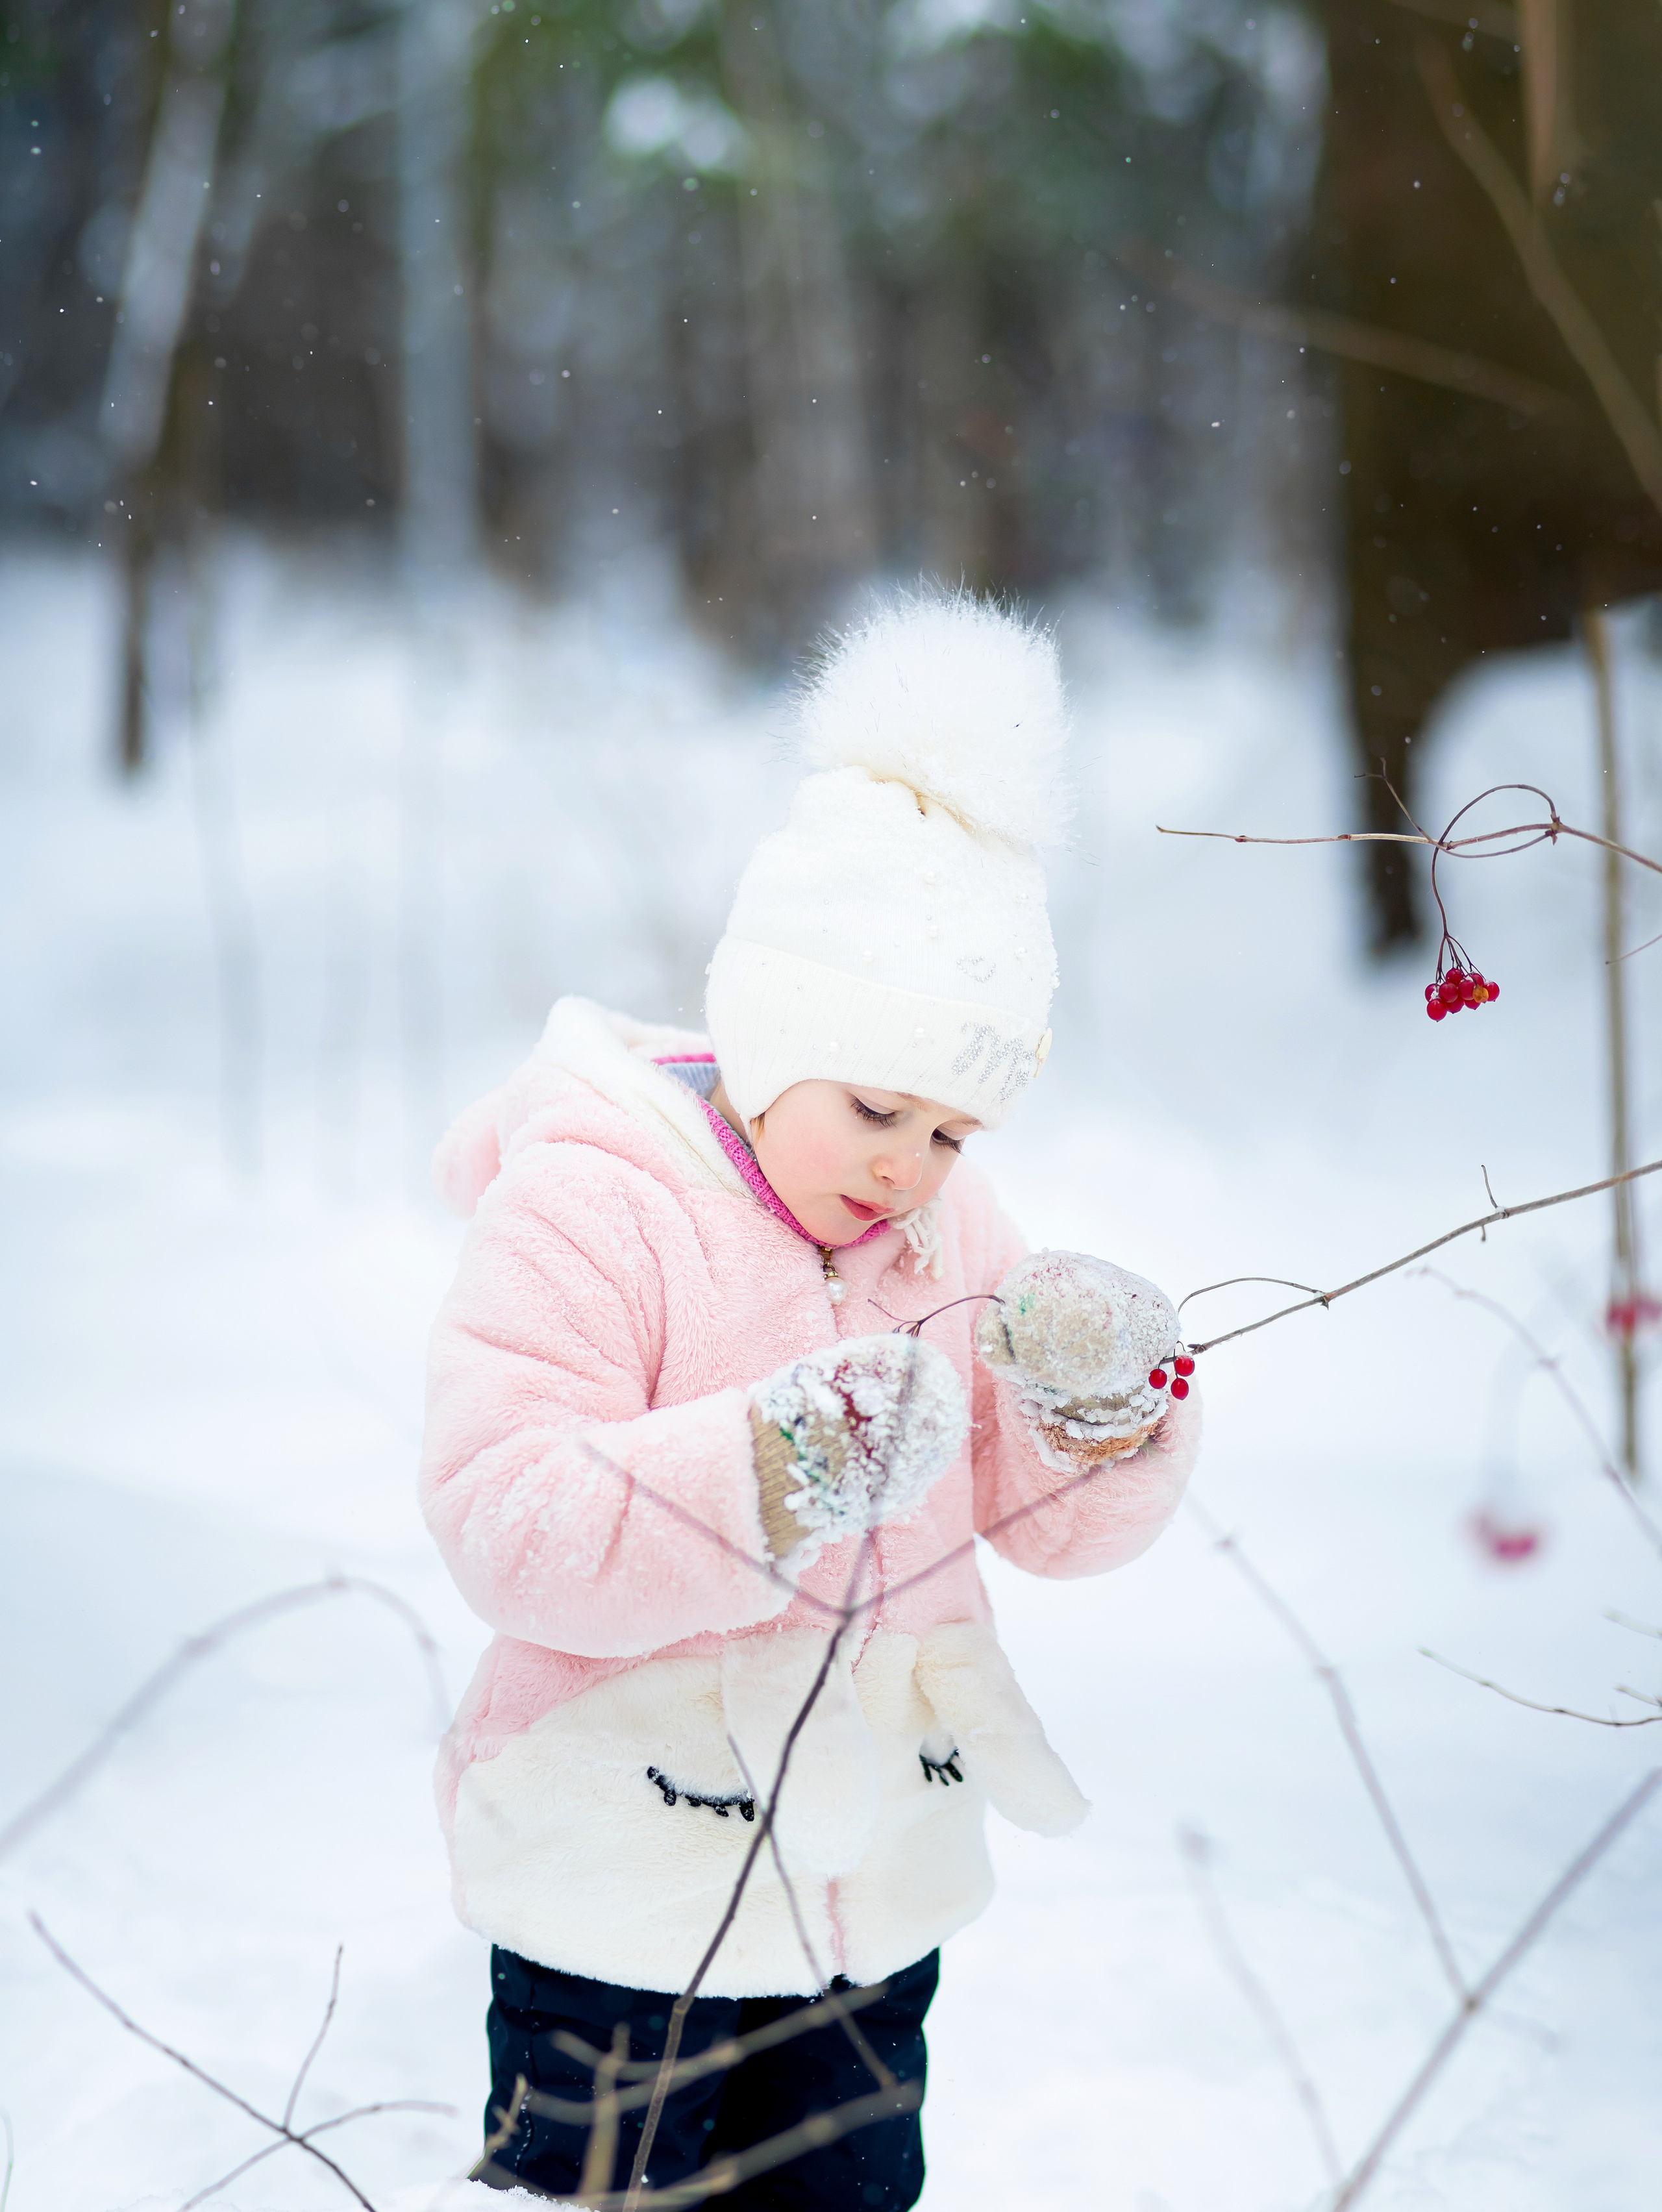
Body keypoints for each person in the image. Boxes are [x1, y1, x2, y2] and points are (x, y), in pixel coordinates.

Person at [420, 588, 1202, 2204]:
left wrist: (1097, 1420)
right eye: (876, 1109)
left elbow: (1037, 1524)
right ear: (775, 1039)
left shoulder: (946, 1232)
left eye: (952, 1134)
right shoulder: (593, 1206)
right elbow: (506, 1521)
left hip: (870, 1870)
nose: (909, 1168)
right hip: (621, 1873)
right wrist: (770, 1470)